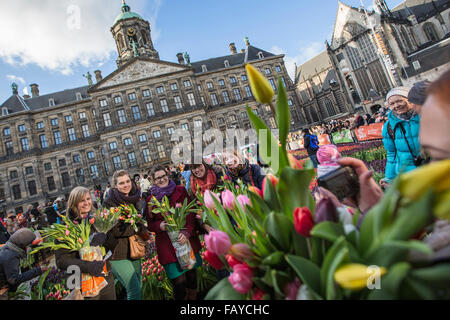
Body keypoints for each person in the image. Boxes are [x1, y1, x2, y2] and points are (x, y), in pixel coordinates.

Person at [146, 165, 202, 300]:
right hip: (168, 246)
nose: (161, 180)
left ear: (168, 175)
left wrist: (187, 232)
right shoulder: (150, 200)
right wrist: (159, 225)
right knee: (179, 281)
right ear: (152, 180)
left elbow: (190, 213)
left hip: (185, 240)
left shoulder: (181, 190)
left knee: (191, 276)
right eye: (157, 178)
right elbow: (149, 223)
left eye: (163, 176)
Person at [54, 187, 116, 300]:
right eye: (82, 200)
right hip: (82, 280)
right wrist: (88, 266)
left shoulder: (97, 219)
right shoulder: (65, 227)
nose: (87, 203)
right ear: (74, 203)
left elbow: (112, 246)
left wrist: (106, 237)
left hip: (104, 274)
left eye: (88, 199)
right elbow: (61, 261)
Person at [102, 170, 148, 300]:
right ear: (115, 186)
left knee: (138, 285)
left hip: (135, 248)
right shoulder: (109, 202)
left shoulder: (135, 197)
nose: (126, 185)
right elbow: (115, 230)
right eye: (121, 183)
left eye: (127, 181)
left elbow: (140, 220)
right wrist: (139, 226)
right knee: (134, 290)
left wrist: (141, 225)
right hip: (118, 253)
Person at [381, 86, 421, 188]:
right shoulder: (389, 126)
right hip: (408, 176)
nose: (396, 105)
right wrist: (389, 178)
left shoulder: (425, 116)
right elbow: (391, 154)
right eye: (392, 104)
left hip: (433, 169)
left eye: (399, 101)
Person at [0, 228, 48, 300]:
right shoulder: (10, 255)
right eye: (28, 246)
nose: (28, 249)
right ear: (23, 245)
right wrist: (38, 271)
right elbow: (13, 279)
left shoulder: (10, 248)